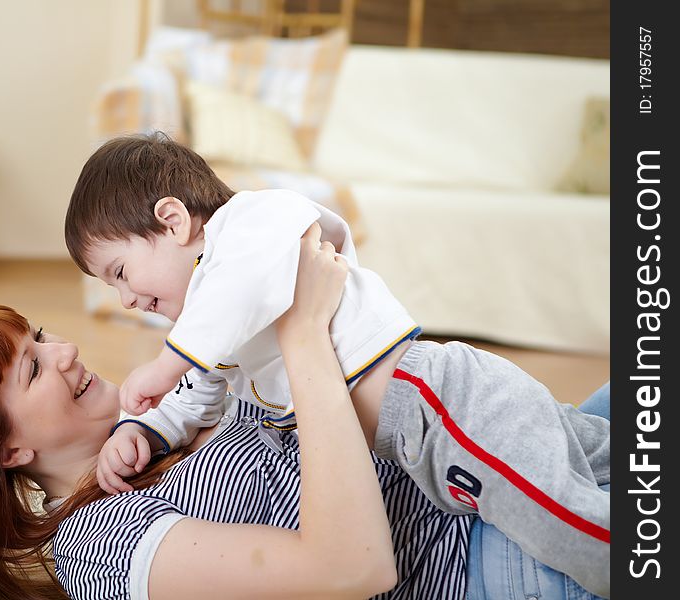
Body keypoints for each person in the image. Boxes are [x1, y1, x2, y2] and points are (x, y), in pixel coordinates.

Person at [0, 229, 608, 599]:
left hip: (498, 460)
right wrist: (302, 332)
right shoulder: (101, 549)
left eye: (39, 336)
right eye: (34, 369)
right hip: (489, 557)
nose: (69, 350)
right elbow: (356, 570)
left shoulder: (161, 418)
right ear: (4, 450)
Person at [64, 132, 610, 596]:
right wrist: (150, 427)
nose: (126, 300)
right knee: (599, 458)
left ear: (173, 220)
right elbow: (197, 392)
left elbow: (240, 289)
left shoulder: (252, 223)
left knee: (563, 518)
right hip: (418, 436)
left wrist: (163, 363)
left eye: (119, 272)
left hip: (440, 404)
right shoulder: (219, 331)